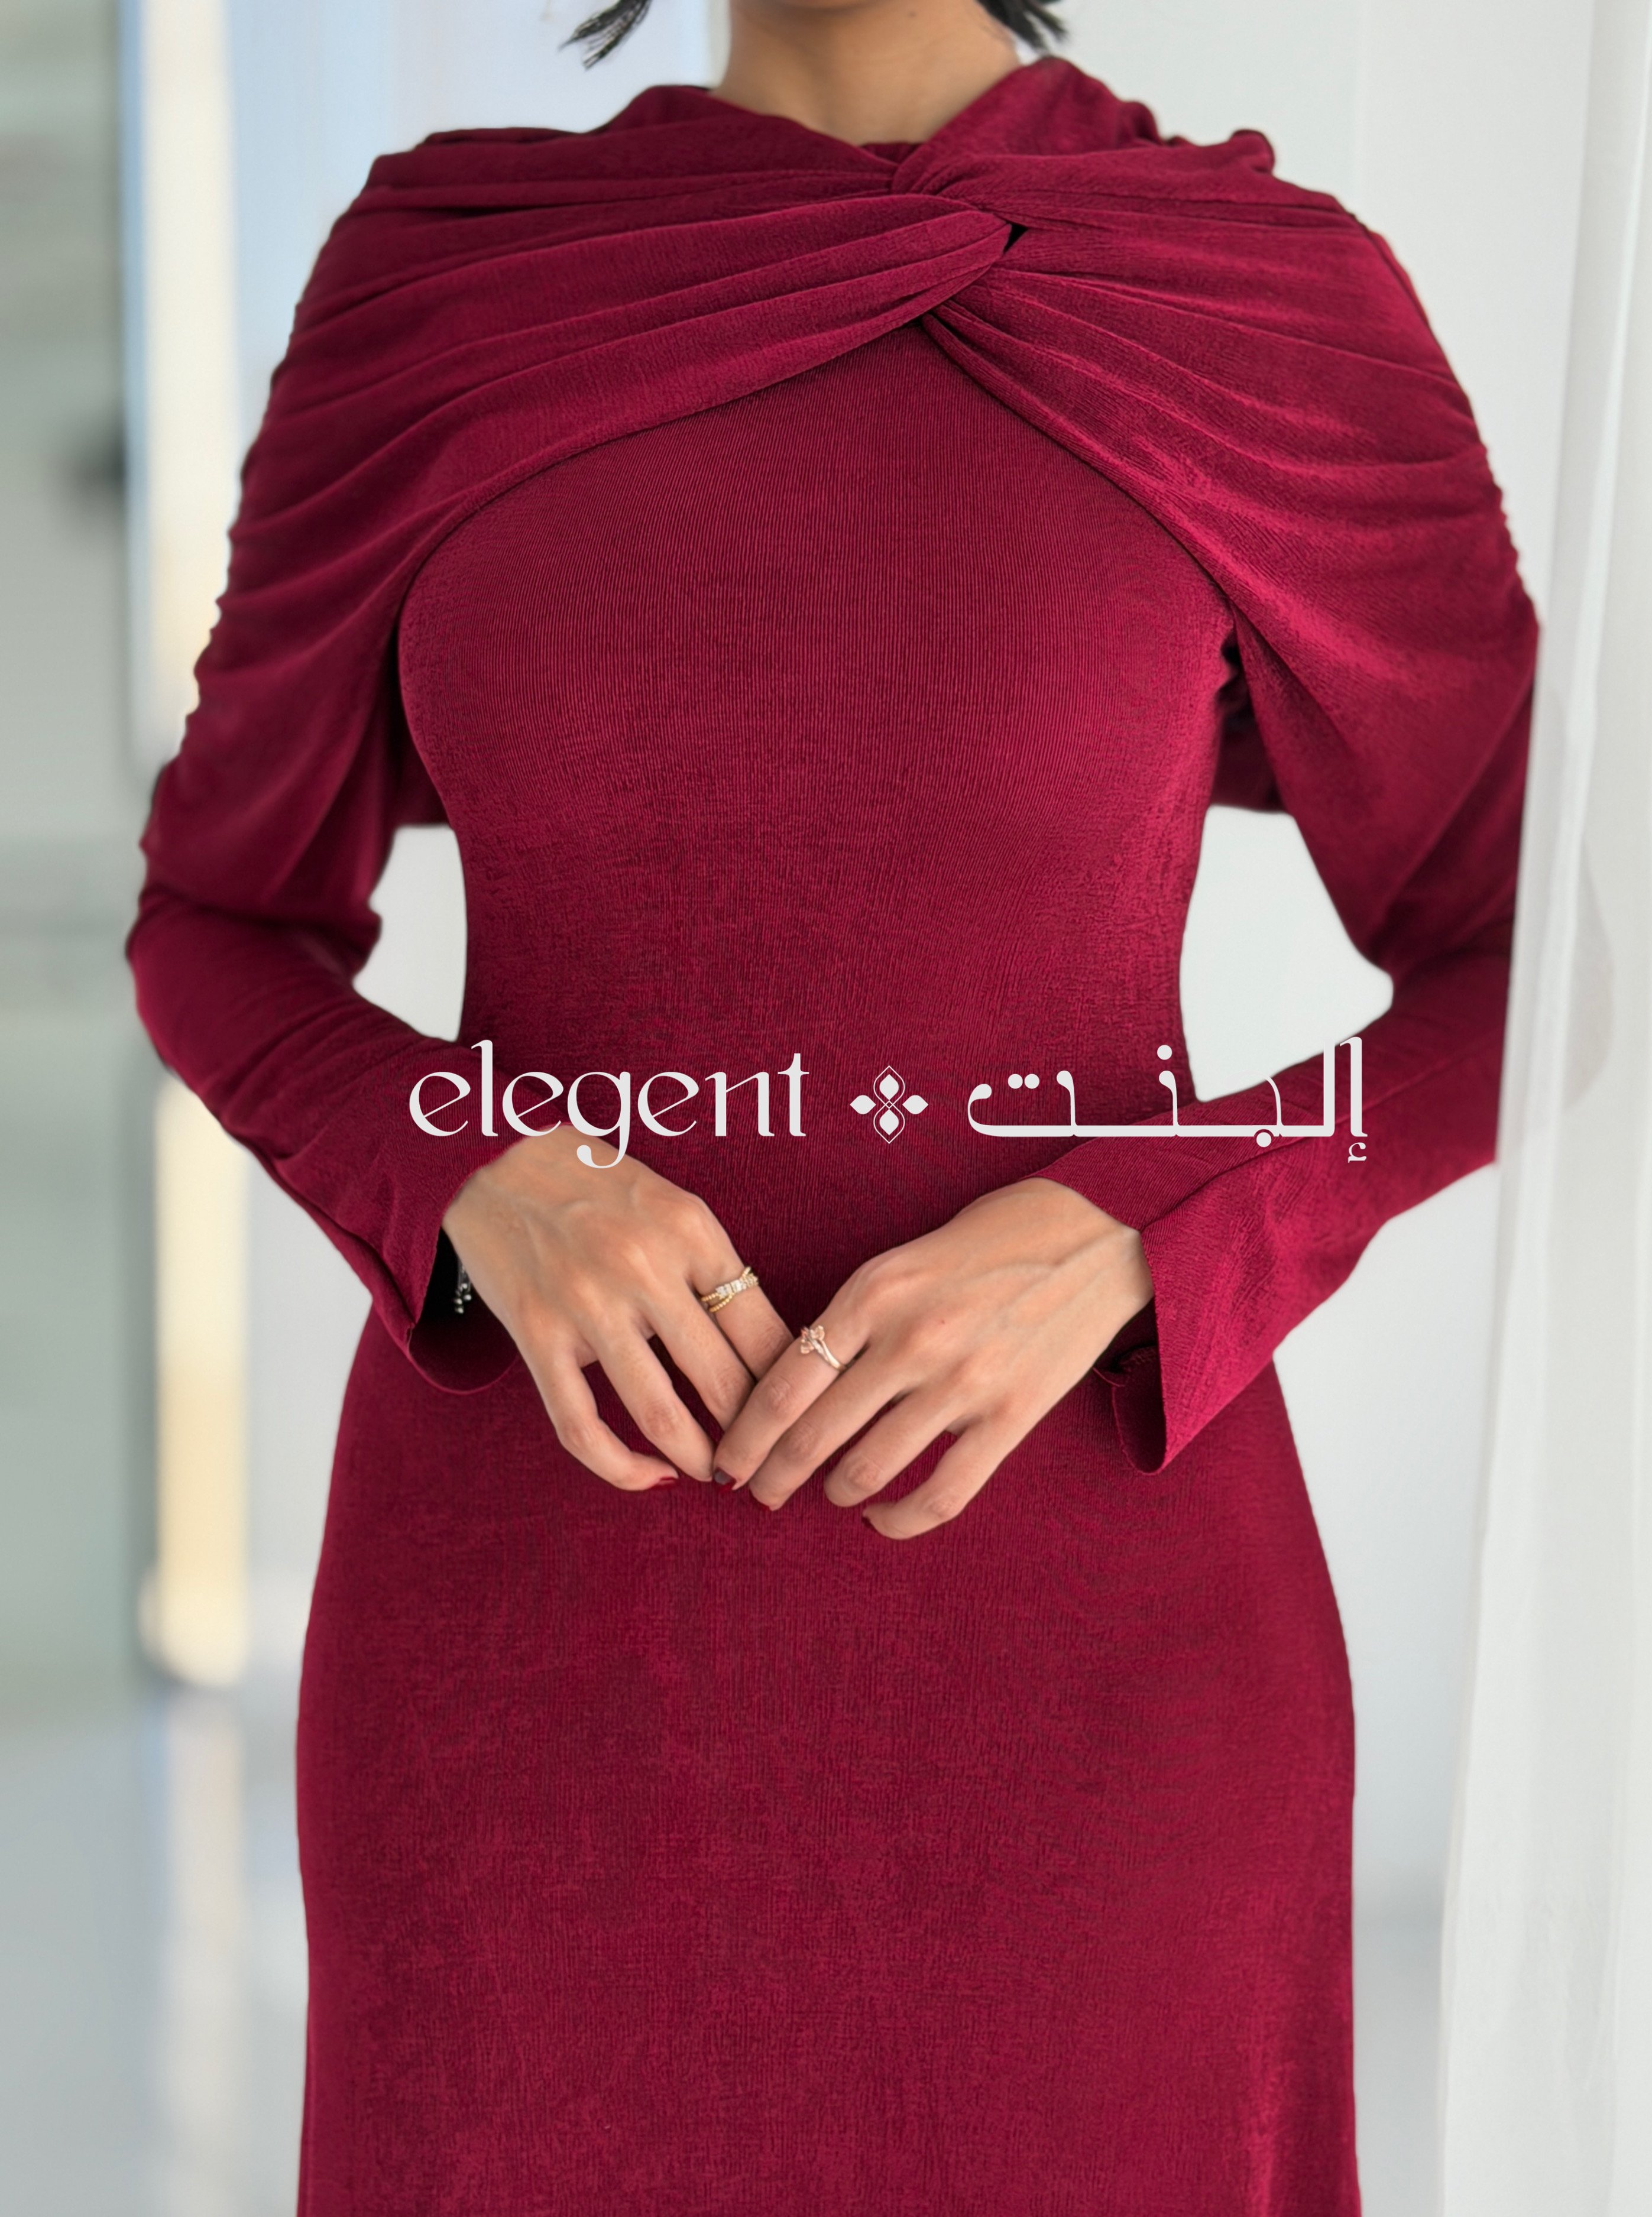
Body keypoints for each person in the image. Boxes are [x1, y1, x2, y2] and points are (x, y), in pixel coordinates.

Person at [127, 0, 1536, 2209]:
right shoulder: (448, 278)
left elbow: (1528, 965)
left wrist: (1159, 1222)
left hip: (1100, 1654)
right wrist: (468, 1167)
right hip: (526, 1670)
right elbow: (216, 919)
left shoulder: (1260, 299)